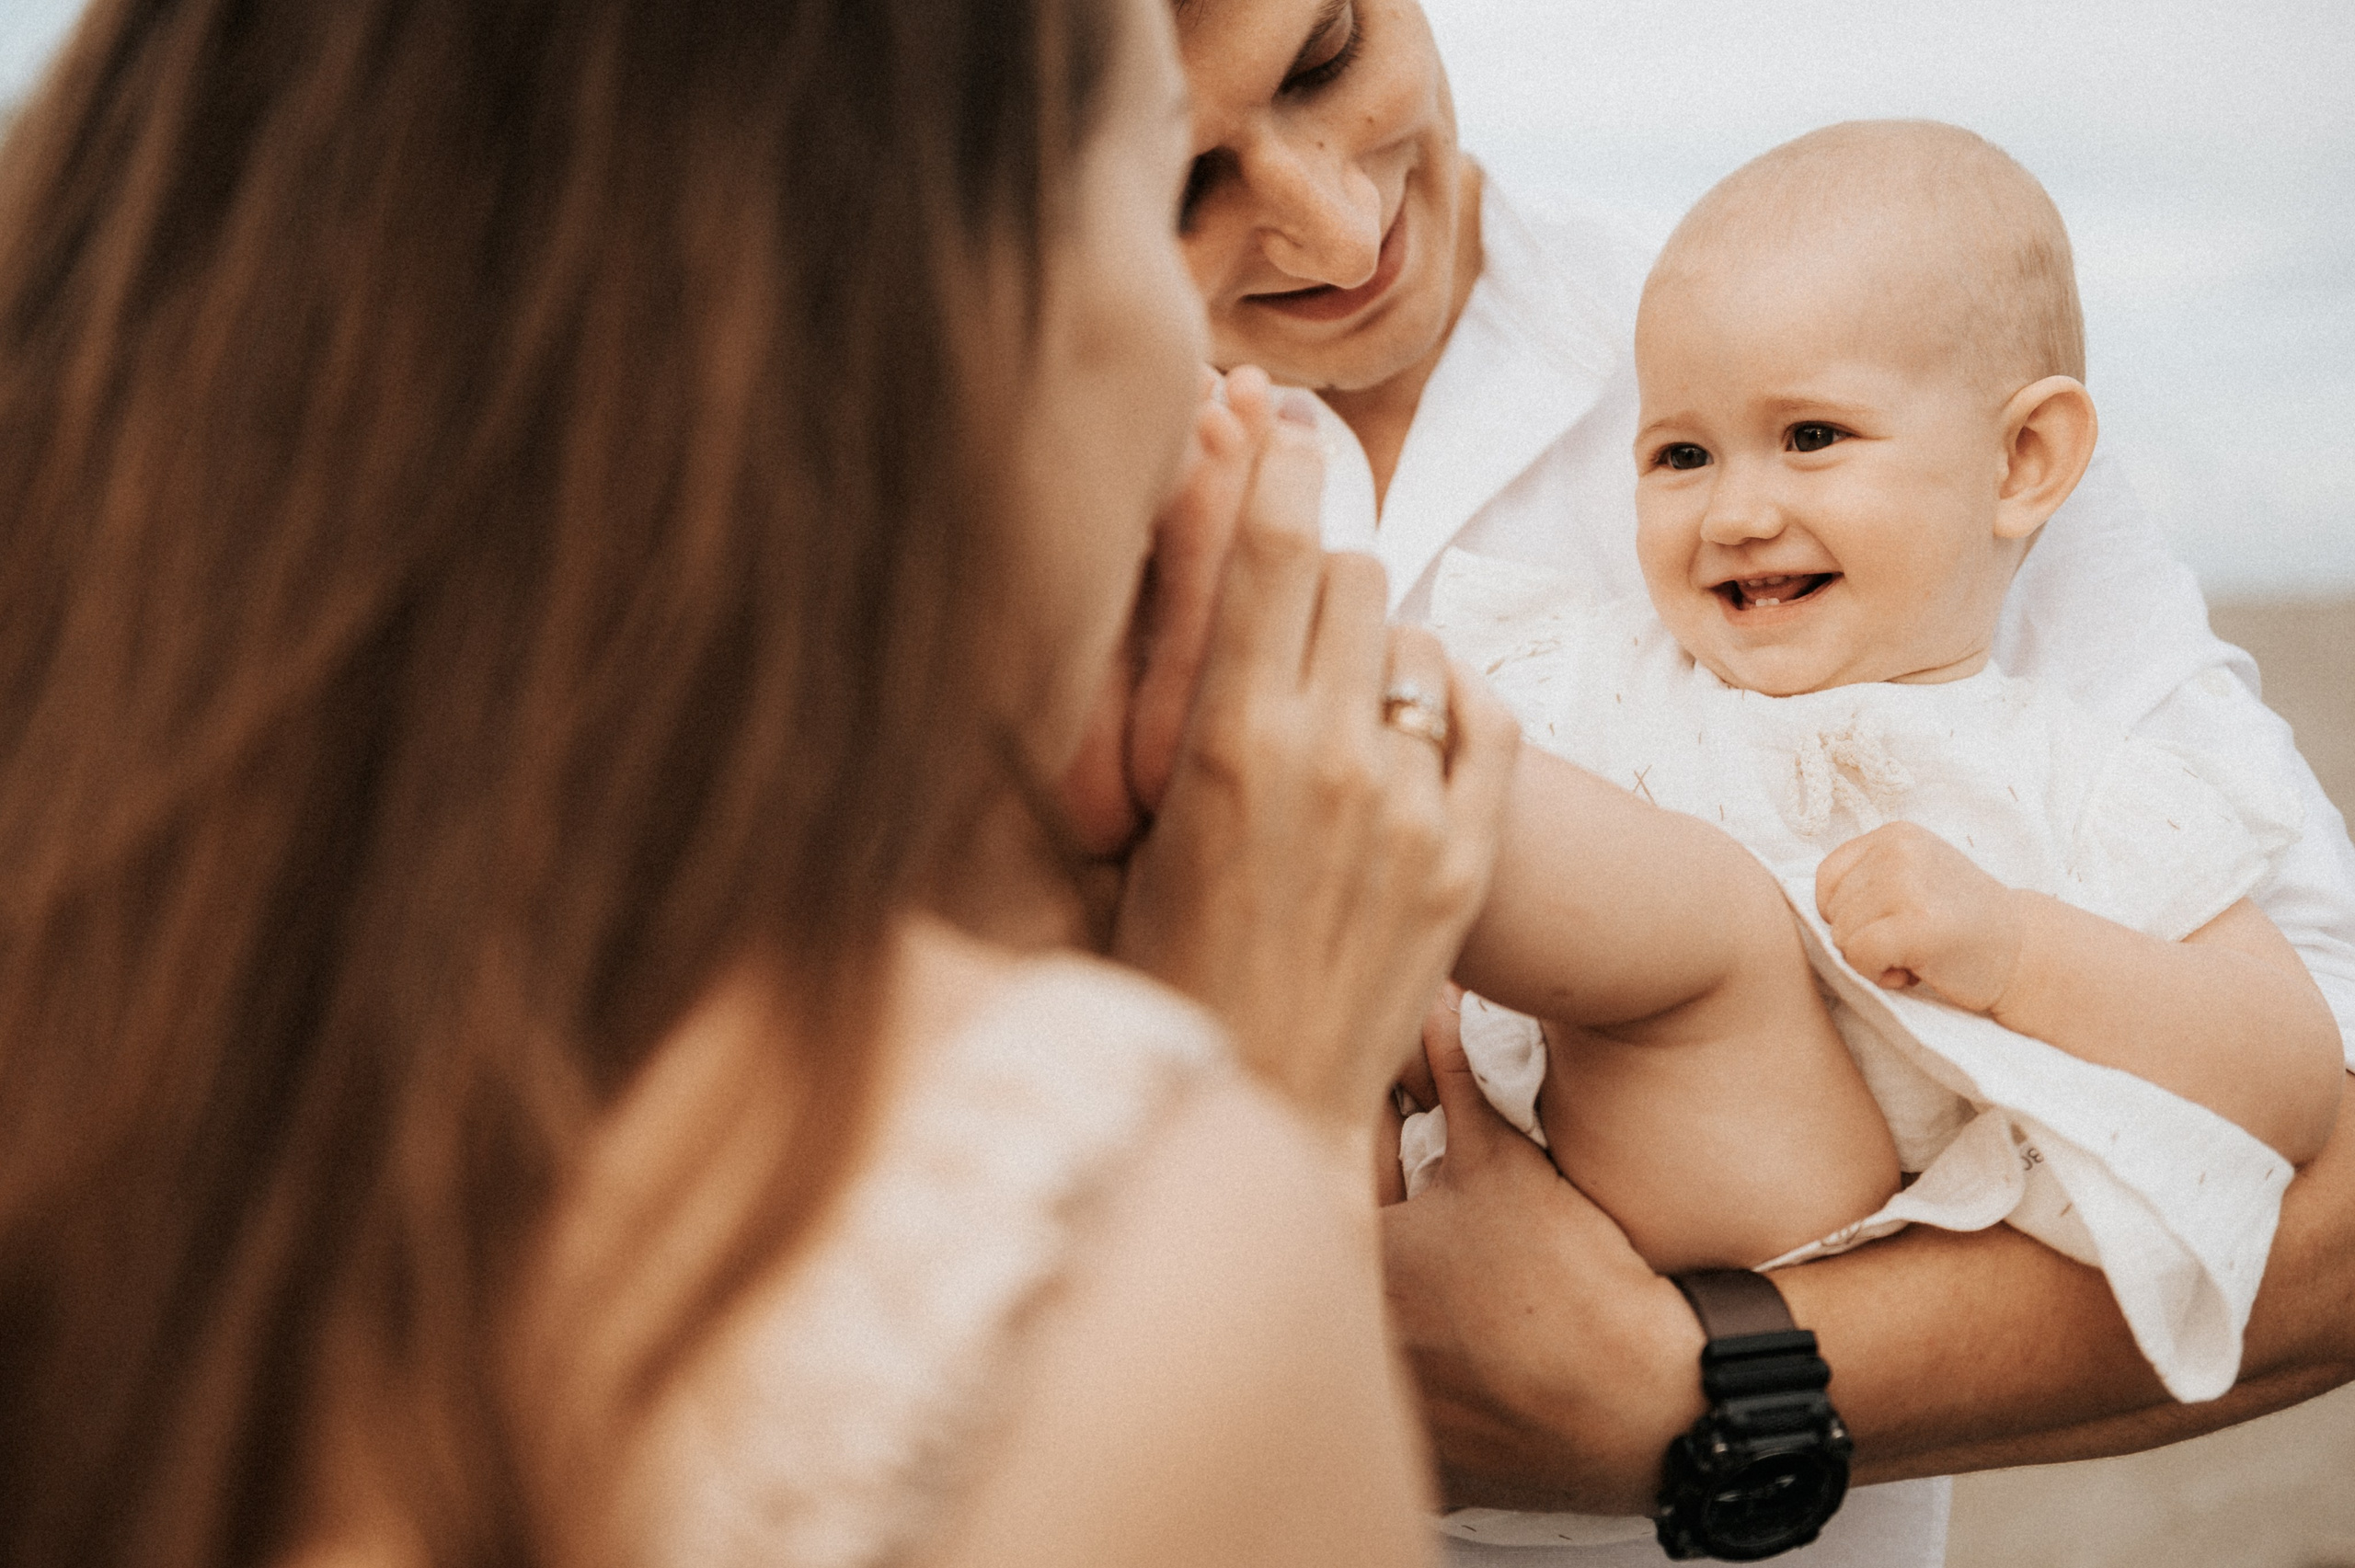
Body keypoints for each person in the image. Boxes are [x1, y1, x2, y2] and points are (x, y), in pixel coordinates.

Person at [0, 2, 1518, 1565]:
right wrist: (1258, 1103)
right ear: (937, 313)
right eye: (1159, 184)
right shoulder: (1132, 1258)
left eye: (1325, 52)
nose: (1210, 379)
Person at [1170, 3, 2355, 1565]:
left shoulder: (1865, 340)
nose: (1333, 223)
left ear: (2022, 465)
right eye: (1179, 176)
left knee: (1700, 931)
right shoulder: (1625, 632)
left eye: (1327, 56)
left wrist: (1682, 1384)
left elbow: (2312, 1086)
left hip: (1738, 1260)